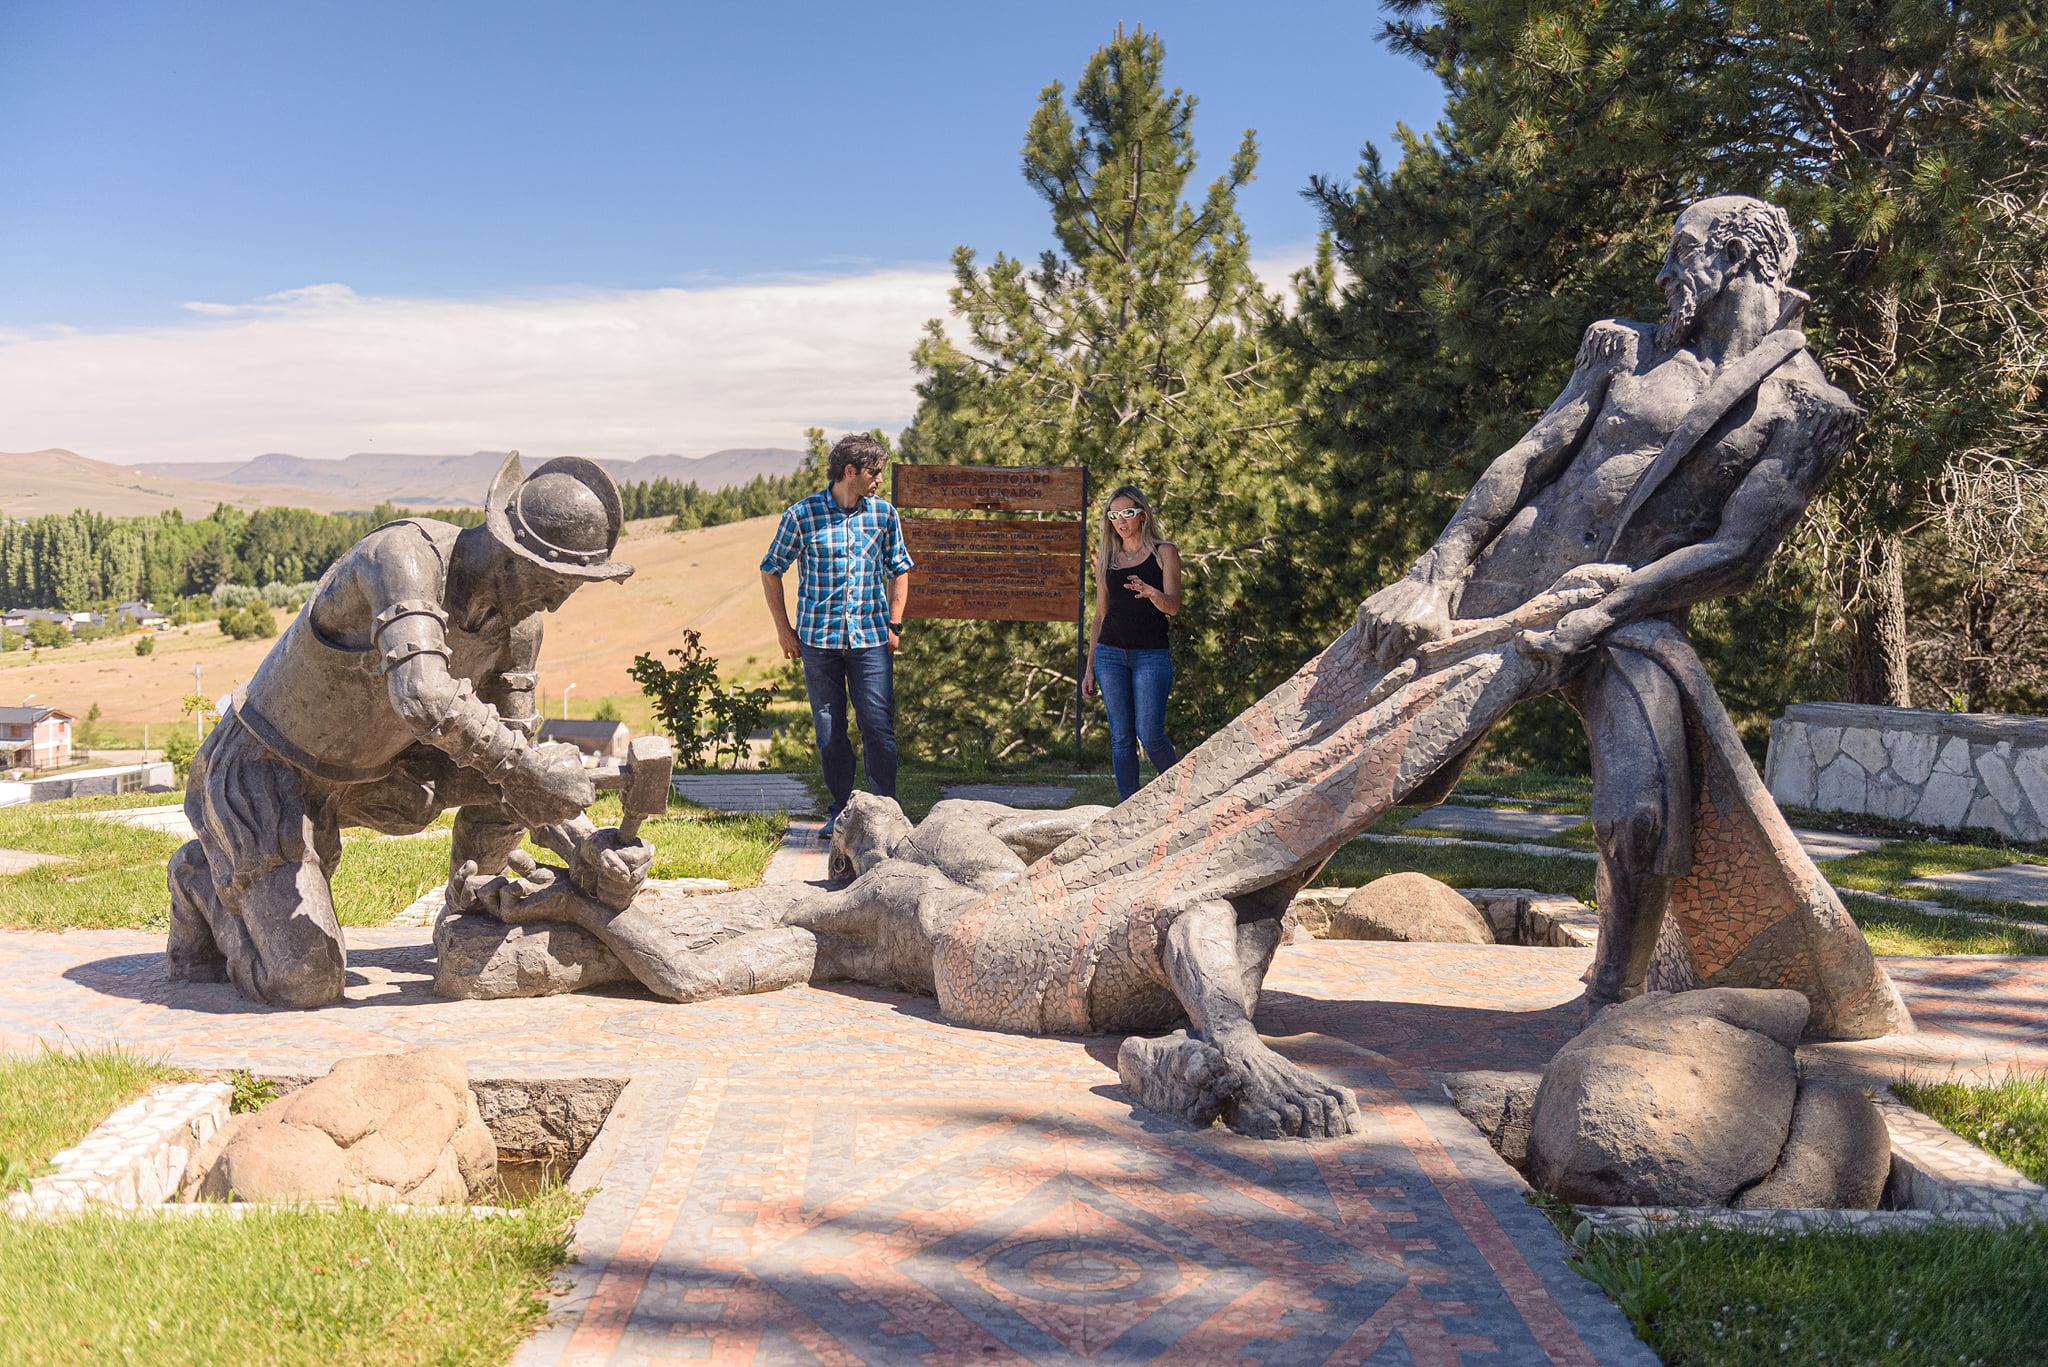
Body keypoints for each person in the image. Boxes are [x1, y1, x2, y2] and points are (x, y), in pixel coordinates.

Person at [166, 454, 651, 1008]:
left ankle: (472, 902)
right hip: (267, 771)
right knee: (304, 980)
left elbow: (524, 769)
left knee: (507, 773)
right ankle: (200, 879)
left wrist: (589, 846)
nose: (558, 601)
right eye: (556, 580)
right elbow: (421, 695)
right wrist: (528, 770)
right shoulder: (401, 559)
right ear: (512, 555)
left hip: (381, 770)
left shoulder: (520, 627)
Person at [759, 433, 914, 837]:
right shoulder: (802, 515)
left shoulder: (883, 515)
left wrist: (894, 625)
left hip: (870, 641)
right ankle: (842, 813)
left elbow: (899, 567)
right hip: (818, 643)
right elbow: (771, 568)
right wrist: (784, 630)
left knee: (877, 726)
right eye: (874, 472)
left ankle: (885, 814)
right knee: (830, 733)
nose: (879, 480)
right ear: (851, 472)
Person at [1082, 485, 1182, 800]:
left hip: (1151, 656)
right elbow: (1099, 616)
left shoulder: (1164, 552)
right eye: (1114, 515)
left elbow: (1173, 606)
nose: (1121, 521)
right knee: (1121, 738)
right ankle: (1130, 808)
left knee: (1150, 734)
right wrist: (1089, 668)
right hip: (1110, 655)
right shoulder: (1107, 558)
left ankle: (1183, 796)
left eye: (1127, 513)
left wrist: (1152, 593)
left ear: (1141, 515)